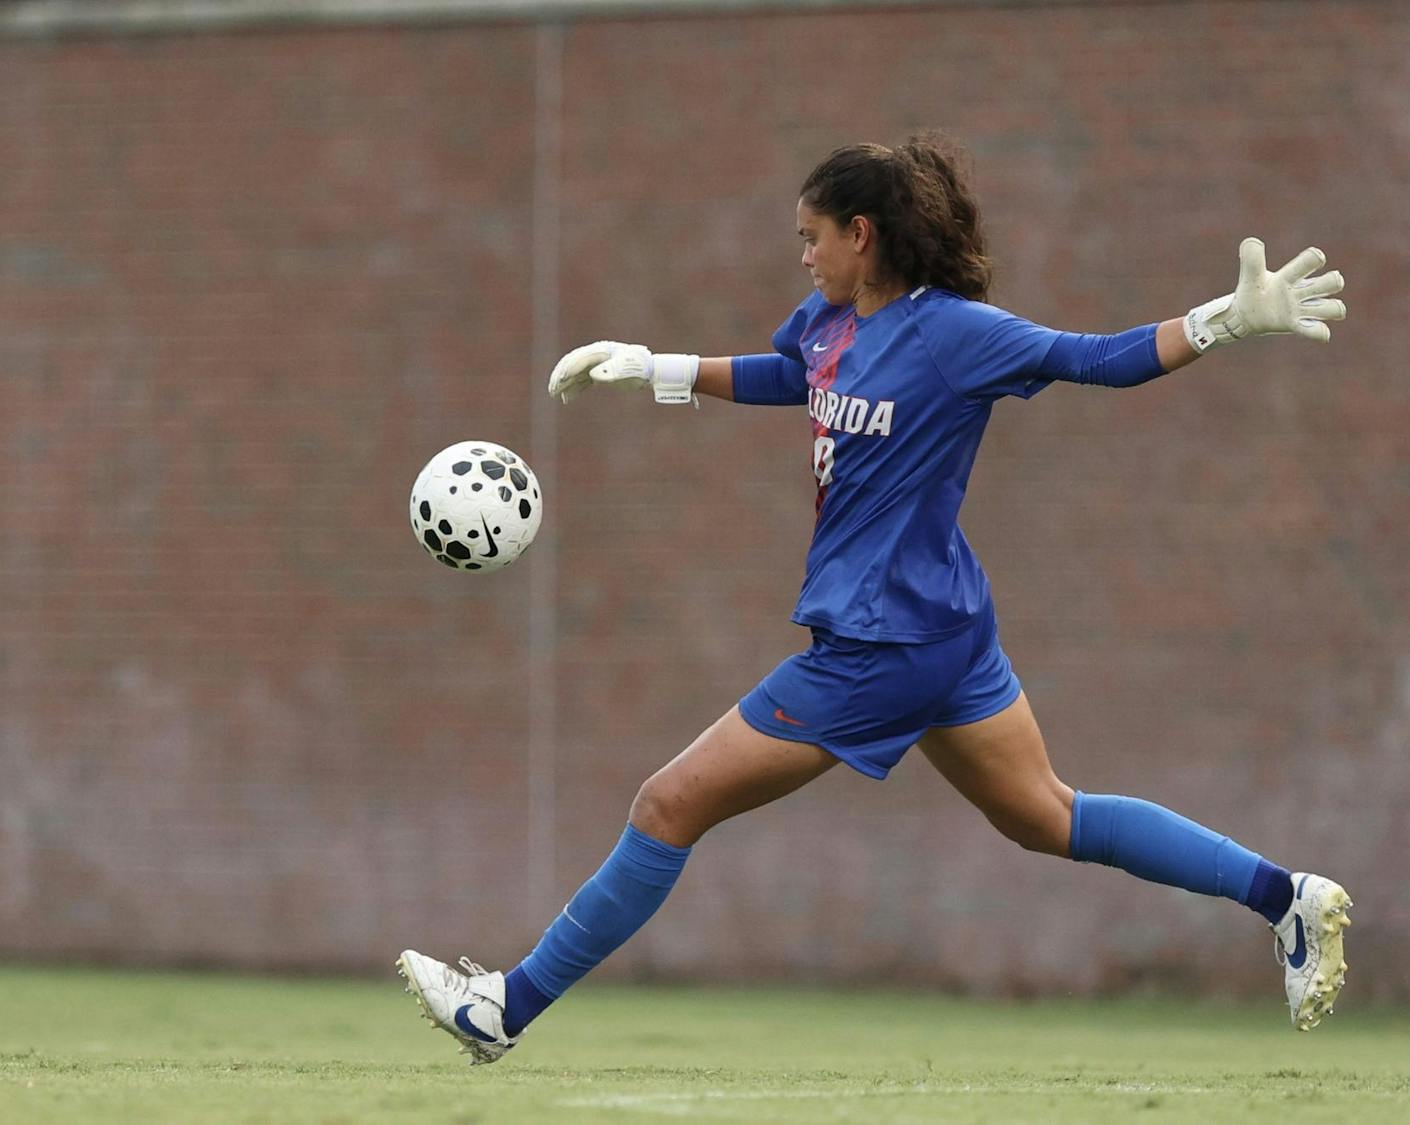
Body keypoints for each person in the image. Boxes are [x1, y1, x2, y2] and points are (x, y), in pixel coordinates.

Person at [397, 134, 1351, 1065]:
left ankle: (504, 1007)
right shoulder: (828, 323)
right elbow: (795, 378)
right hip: (942, 629)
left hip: (881, 644)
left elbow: (1099, 358)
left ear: (863, 233)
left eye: (812, 236)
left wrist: (1229, 319)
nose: (803, 254)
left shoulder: (954, 333)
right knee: (1046, 815)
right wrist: (656, 368)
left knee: (667, 803)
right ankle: (1286, 896)